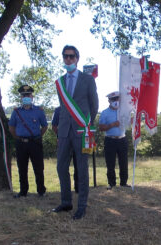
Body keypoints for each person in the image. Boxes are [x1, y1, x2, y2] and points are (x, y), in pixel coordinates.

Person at [52, 45, 99, 220]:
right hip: (64, 131)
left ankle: (82, 206)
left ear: (77, 59)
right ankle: (66, 202)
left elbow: (94, 104)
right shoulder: (60, 82)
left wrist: (87, 123)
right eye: (66, 57)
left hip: (82, 130)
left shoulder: (87, 79)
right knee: (61, 167)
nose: (69, 59)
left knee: (82, 169)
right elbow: (62, 107)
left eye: (72, 56)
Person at [9, 85, 48, 198]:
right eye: (24, 95)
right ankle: (23, 192)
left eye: (28, 95)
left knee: (39, 168)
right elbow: (11, 128)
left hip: (35, 143)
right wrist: (18, 138)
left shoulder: (39, 111)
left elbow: (44, 126)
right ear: (21, 97)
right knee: (22, 168)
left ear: (32, 96)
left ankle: (41, 191)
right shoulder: (16, 112)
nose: (26, 97)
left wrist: (37, 136)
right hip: (21, 143)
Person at [99, 91, 130, 190]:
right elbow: (101, 128)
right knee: (110, 163)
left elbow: (129, 122)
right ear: (109, 101)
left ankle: (124, 183)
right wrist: (112, 125)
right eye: (113, 99)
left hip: (122, 139)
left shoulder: (124, 111)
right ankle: (111, 184)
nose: (116, 101)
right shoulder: (104, 113)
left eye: (117, 99)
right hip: (110, 140)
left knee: (124, 162)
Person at [51, 106, 78, 193]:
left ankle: (78, 188)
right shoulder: (58, 110)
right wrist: (61, 136)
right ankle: (66, 190)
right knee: (63, 167)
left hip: (77, 141)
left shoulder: (78, 108)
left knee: (78, 167)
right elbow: (54, 126)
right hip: (64, 142)